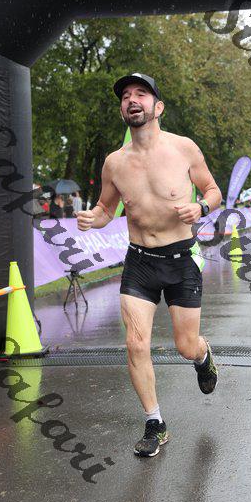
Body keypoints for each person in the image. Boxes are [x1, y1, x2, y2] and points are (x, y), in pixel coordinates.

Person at [77, 73, 222, 458]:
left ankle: (203, 356)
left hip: (182, 260)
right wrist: (93, 218)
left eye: (141, 93)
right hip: (140, 261)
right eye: (126, 95)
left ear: (158, 107)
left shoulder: (183, 148)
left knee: (185, 345)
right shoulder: (114, 163)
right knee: (135, 342)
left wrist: (201, 207)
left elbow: (213, 191)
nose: (132, 99)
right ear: (122, 110)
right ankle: (155, 423)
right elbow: (106, 208)